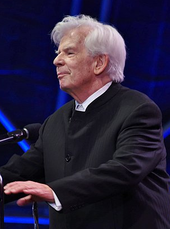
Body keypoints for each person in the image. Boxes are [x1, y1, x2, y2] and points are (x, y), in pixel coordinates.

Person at [0, 14, 170, 229]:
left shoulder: (138, 109)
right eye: (58, 53)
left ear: (99, 62)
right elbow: (22, 170)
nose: (56, 60)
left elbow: (125, 169)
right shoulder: (56, 121)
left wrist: (54, 192)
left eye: (69, 52)